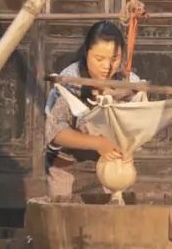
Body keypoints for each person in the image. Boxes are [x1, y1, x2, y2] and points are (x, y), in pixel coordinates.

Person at [43, 20, 142, 197]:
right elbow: (57, 132)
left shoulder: (128, 83)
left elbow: (137, 124)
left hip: (111, 165)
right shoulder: (70, 81)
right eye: (99, 59)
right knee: (67, 213)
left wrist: (127, 149)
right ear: (87, 52)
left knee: (112, 211)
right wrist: (98, 143)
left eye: (114, 59)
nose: (107, 67)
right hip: (68, 168)